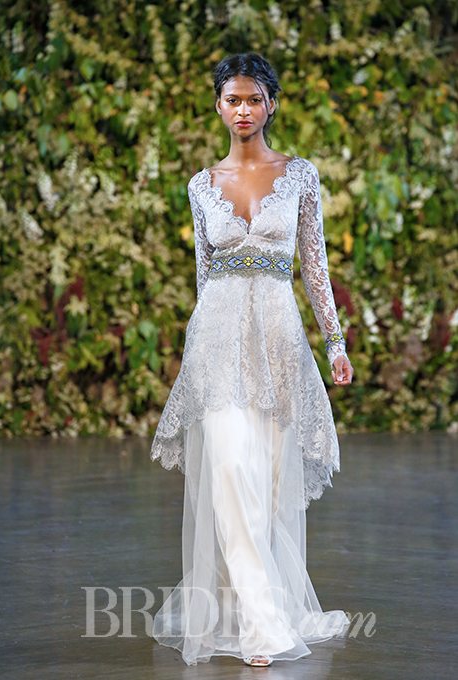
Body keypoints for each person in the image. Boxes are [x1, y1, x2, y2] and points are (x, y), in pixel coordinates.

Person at [150, 52, 354, 667]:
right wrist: (193, 356)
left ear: (271, 105)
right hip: (216, 344)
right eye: (232, 99)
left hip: (277, 345)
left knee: (264, 491)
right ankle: (264, 630)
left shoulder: (300, 176)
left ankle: (252, 611)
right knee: (229, 476)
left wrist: (335, 343)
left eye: (253, 99)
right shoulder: (200, 185)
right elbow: (203, 275)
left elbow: (314, 267)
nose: (243, 109)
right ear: (218, 106)